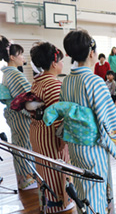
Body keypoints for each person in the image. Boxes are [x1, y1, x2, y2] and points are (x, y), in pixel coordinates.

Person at [61, 30, 116, 214]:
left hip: (75, 145)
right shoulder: (94, 81)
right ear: (91, 53)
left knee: (82, 189)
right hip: (92, 147)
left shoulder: (66, 81)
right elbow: (108, 118)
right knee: (95, 194)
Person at [29, 42, 73, 212]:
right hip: (50, 135)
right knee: (56, 168)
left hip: (37, 131)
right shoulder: (54, 84)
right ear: (54, 63)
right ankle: (59, 203)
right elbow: (58, 117)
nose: (63, 64)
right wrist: (63, 141)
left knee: (43, 168)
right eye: (61, 60)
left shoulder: (38, 81)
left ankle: (47, 202)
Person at [0, 36, 37, 190]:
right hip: (21, 118)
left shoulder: (8, 73)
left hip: (14, 117)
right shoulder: (15, 74)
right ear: (12, 57)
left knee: (20, 147)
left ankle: (24, 181)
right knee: (25, 147)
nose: (23, 57)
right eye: (20, 54)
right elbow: (28, 98)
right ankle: (27, 181)